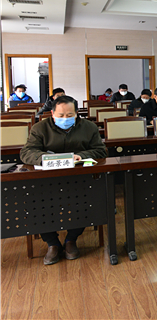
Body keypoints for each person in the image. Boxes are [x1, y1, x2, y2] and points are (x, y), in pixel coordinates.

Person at [20, 96, 108, 265]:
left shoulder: (88, 127)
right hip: (46, 180)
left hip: (78, 178)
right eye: (60, 115)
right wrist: (45, 158)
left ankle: (71, 239)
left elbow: (101, 150)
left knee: (85, 201)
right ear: (52, 113)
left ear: (77, 113)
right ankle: (52, 243)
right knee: (35, 204)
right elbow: (27, 153)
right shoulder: (40, 128)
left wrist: (81, 155)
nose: (65, 119)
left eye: (69, 115)